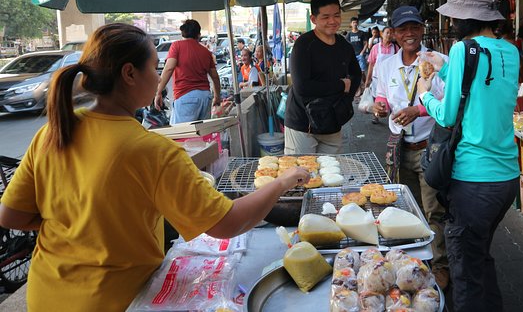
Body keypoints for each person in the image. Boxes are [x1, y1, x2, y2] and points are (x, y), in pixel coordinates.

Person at [0, 23, 310, 311]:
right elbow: (226, 224)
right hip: (110, 301)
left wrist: (79, 224)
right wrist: (282, 182)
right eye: (155, 67)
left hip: (45, 295)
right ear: (129, 74)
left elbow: (11, 215)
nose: (161, 76)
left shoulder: (52, 133)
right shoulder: (152, 151)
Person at [417, 0, 520, 311]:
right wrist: (444, 71)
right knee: (480, 258)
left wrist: (424, 94)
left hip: (473, 181)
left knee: (465, 273)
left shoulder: (463, 49)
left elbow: (447, 116)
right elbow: (479, 90)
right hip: (506, 180)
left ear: (465, 17)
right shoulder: (511, 51)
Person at [367, 6, 449, 289]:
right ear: (394, 33)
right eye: (403, 29)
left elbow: (448, 106)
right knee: (406, 209)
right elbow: (381, 95)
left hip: (430, 150)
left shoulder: (438, 62)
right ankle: (414, 263)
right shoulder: (386, 64)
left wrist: (418, 110)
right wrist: (379, 106)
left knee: (433, 211)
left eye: (414, 27)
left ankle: (439, 266)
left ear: (422, 29)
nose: (409, 34)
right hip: (398, 150)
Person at [284, 0, 361, 154]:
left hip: (332, 121)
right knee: (301, 175)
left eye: (336, 15)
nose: (332, 21)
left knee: (331, 174)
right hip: (302, 124)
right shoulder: (303, 45)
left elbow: (356, 73)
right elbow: (302, 86)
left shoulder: (344, 45)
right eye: (325, 17)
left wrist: (347, 99)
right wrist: (341, 85)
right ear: (314, 19)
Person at [155, 20, 220, 125]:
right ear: (198, 34)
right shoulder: (206, 52)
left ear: (182, 33)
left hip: (186, 96)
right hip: (205, 97)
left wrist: (158, 92)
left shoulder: (177, 46)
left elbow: (169, 68)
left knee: (183, 136)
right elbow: (215, 77)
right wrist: (217, 96)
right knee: (202, 136)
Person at [365, 26, 399, 124]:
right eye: (387, 32)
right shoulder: (376, 48)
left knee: (393, 96)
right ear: (382, 34)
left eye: (391, 33)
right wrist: (368, 80)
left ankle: (394, 116)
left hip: (391, 78)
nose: (389, 35)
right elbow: (371, 64)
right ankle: (376, 115)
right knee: (376, 97)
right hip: (377, 78)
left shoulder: (395, 48)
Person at [345, 17, 369, 95]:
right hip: (352, 57)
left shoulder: (361, 33)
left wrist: (362, 52)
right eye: (353, 22)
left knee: (362, 72)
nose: (354, 24)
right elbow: (346, 45)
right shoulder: (349, 34)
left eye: (356, 22)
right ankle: (358, 89)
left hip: (360, 55)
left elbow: (366, 44)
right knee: (355, 73)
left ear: (357, 23)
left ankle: (366, 87)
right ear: (351, 24)